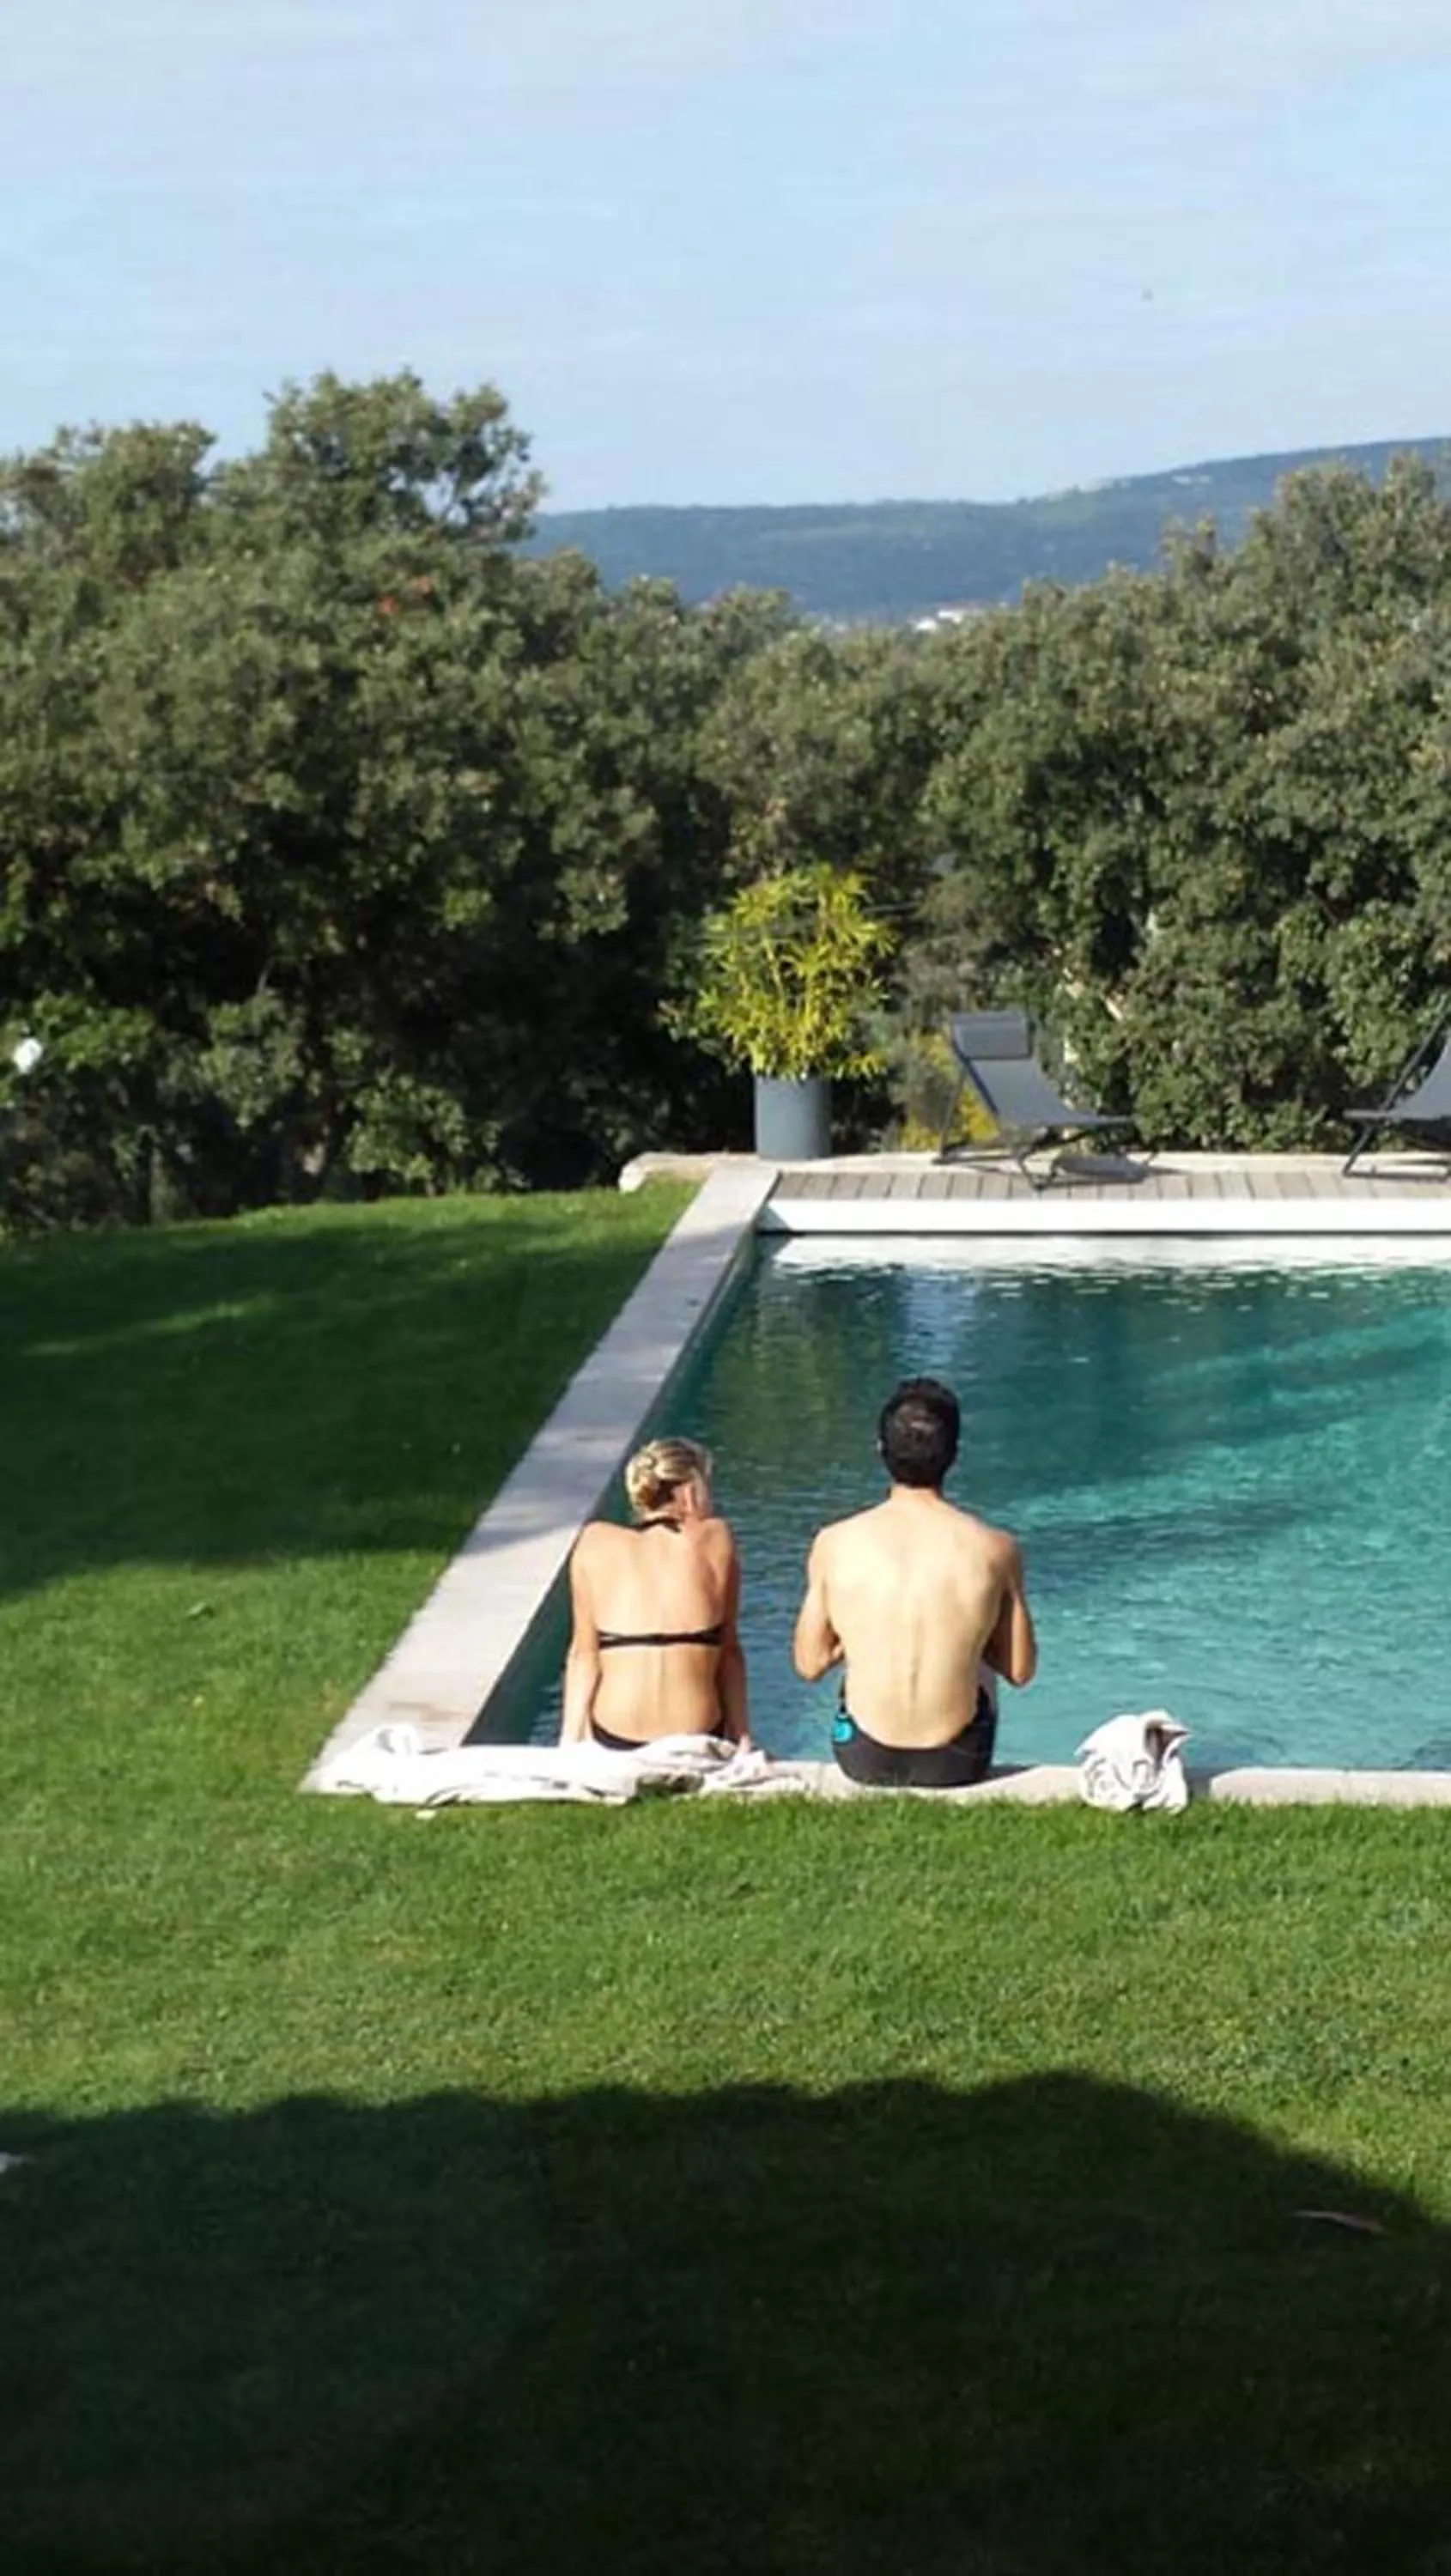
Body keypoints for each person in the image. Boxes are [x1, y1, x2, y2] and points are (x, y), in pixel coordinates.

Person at [792, 1376, 1035, 1788]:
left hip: (862, 1756)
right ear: (954, 1454)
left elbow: (810, 1664)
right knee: (975, 1650)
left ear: (880, 1450)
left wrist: (863, 1630)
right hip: (958, 1761)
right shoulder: (995, 1548)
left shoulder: (834, 1543)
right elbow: (1019, 1670)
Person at [561, 1437, 750, 1752]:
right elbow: (729, 1651)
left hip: (615, 1734)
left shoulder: (594, 1542)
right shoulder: (716, 1537)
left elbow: (584, 1654)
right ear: (690, 1490)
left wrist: (569, 1741)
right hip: (696, 1734)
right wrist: (743, 1737)